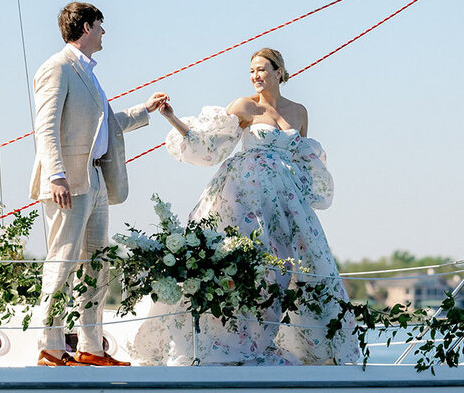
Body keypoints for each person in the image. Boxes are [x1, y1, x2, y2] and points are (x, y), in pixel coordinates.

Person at [128, 48, 358, 366]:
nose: (256, 76)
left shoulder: (300, 112)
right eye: (252, 71)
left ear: (280, 72)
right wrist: (172, 117)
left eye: (262, 69)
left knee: (285, 270)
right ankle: (229, 340)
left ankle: (283, 341)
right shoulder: (244, 106)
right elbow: (209, 142)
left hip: (284, 204)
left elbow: (305, 162)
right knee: (242, 266)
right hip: (243, 199)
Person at [30, 1, 168, 367]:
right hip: (68, 182)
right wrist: (56, 174)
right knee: (62, 261)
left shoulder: (87, 72)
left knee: (97, 265)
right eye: (101, 26)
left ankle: (91, 347)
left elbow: (105, 124)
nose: (105, 33)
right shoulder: (57, 68)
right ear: (87, 27)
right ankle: (51, 347)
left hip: (94, 179)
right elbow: (45, 127)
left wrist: (145, 110)